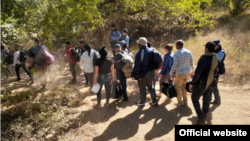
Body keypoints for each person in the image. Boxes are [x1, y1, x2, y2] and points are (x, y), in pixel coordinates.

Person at [189, 42, 219, 125]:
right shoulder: (216, 58)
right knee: (206, 100)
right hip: (210, 83)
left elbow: (198, 73)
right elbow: (221, 71)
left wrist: (192, 82)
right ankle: (204, 116)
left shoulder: (203, 58)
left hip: (201, 84)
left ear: (206, 49)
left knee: (195, 99)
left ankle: (201, 118)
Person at [131, 37, 158, 106]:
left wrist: (133, 74)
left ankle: (142, 102)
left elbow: (136, 66)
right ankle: (154, 101)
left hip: (143, 74)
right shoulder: (151, 51)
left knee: (142, 88)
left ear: (140, 44)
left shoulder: (139, 53)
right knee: (151, 87)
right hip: (151, 73)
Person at [169, 40, 194, 106]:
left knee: (178, 87)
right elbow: (192, 62)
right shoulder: (189, 52)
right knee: (184, 87)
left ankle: (180, 102)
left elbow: (174, 65)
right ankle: (185, 102)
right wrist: (193, 71)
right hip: (187, 73)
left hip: (179, 73)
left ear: (177, 45)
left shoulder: (176, 54)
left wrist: (170, 73)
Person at [210, 39, 225, 105]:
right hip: (212, 70)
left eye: (216, 45)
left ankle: (217, 100)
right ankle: (210, 99)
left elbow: (216, 61)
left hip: (216, 71)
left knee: (214, 86)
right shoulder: (214, 51)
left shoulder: (221, 53)